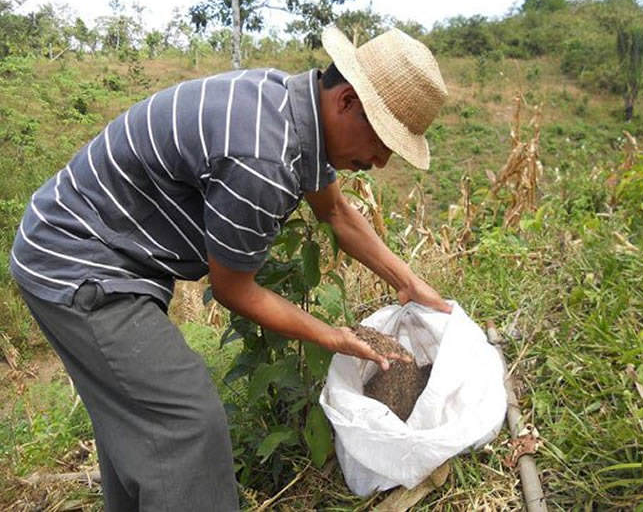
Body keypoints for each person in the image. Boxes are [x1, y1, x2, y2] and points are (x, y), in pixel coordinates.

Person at [10, 25, 451, 511]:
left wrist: (411, 284)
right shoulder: (263, 157)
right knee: (186, 426)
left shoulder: (290, 107)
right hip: (79, 260)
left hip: (103, 247)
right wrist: (333, 335)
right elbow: (235, 290)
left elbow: (336, 213)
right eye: (383, 138)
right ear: (346, 101)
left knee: (139, 423)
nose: (382, 160)